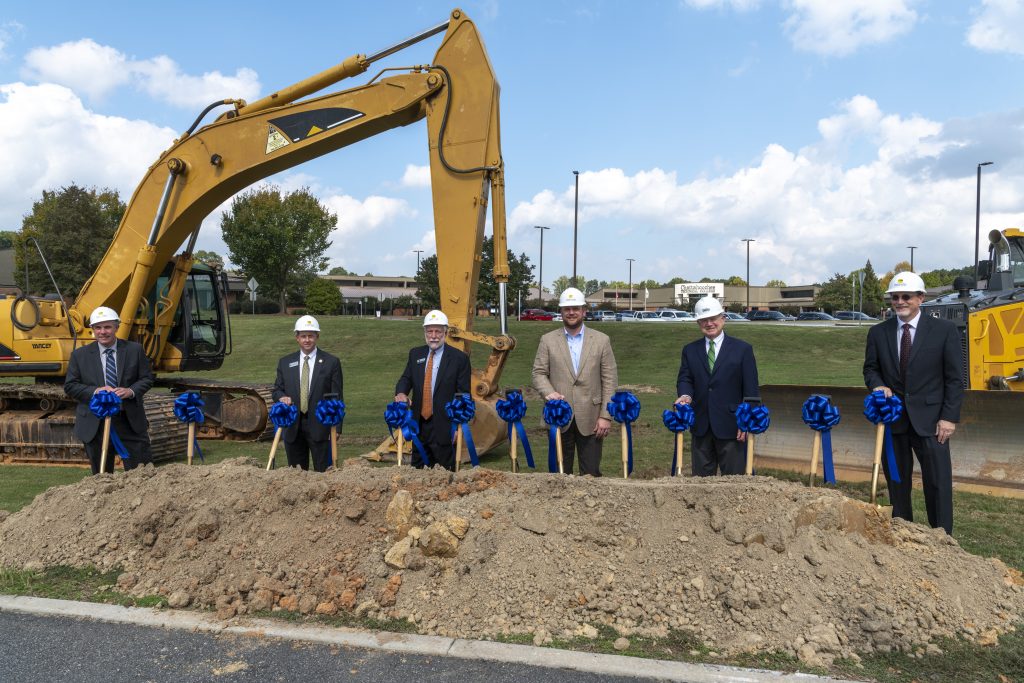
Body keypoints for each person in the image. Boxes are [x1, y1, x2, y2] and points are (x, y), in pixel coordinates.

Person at [863, 271, 963, 534]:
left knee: (938, 483)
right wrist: (878, 385)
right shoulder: (878, 333)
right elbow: (870, 369)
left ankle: (942, 539)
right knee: (897, 482)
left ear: (920, 298)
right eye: (895, 297)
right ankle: (903, 533)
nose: (899, 302)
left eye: (906, 296)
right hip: (893, 422)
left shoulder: (944, 331)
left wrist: (949, 417)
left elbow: (954, 378)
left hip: (932, 423)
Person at [532, 287, 618, 476]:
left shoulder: (602, 340)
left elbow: (610, 380)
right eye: (567, 309)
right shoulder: (547, 340)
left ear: (584, 311)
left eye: (575, 308)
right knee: (559, 476)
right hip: (558, 417)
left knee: (591, 474)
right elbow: (538, 373)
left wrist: (606, 415)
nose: (571, 313)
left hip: (592, 419)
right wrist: (549, 393)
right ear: (561, 312)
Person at [675, 295, 760, 476]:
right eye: (704, 320)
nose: (709, 323)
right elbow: (685, 379)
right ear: (698, 322)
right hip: (701, 426)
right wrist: (685, 395)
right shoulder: (690, 350)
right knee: (701, 484)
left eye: (713, 318)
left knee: (734, 482)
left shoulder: (742, 349)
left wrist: (746, 421)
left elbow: (751, 390)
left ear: (723, 318)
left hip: (733, 426)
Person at [64, 306, 154, 474]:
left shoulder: (134, 350)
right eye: (98, 327)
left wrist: (130, 391)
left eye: (107, 327)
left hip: (129, 421)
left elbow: (147, 378)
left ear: (116, 327)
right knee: (101, 477)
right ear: (92, 330)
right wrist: (95, 391)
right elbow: (70, 386)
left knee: (141, 474)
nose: (102, 332)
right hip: (95, 423)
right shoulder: (79, 355)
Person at [394, 309, 471, 470]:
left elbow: (463, 394)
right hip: (418, 425)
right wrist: (401, 393)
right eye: (430, 331)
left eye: (438, 331)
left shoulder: (459, 359)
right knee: (417, 472)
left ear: (446, 332)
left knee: (445, 474)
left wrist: (458, 425)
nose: (434, 335)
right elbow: (406, 378)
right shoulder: (415, 354)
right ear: (425, 332)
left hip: (445, 427)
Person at [272, 315, 344, 472]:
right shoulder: (285, 362)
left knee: (324, 472)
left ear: (317, 337)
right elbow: (277, 389)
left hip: (321, 427)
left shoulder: (331, 362)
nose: (307, 340)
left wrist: (337, 427)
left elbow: (337, 396)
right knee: (297, 475)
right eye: (303, 336)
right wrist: (281, 397)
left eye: (311, 336)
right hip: (293, 427)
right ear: (297, 337)